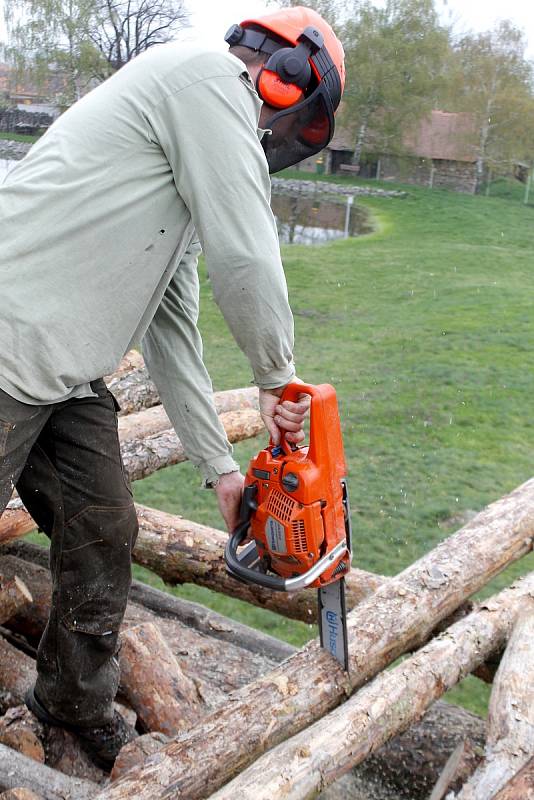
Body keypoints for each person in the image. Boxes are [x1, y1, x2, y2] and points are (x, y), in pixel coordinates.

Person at [0, 6, 345, 767]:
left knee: (103, 528)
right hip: (10, 339)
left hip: (64, 372)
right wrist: (276, 379)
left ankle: (70, 704)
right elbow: (247, 253)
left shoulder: (191, 134)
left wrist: (222, 471)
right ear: (288, 80)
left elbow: (173, 327)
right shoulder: (206, 83)